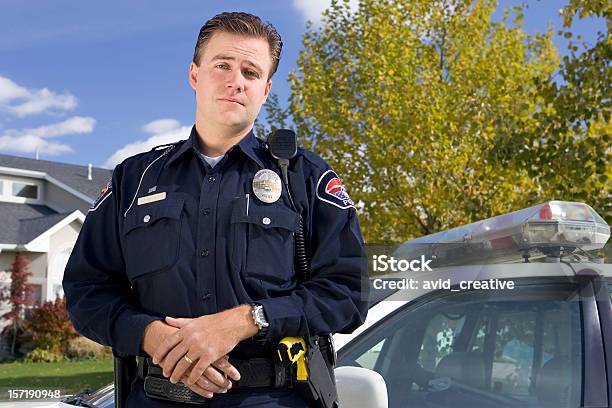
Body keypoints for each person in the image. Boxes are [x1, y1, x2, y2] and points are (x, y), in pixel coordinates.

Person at [63, 11, 368, 407]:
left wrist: (245, 320)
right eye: (222, 64)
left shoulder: (305, 178)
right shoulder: (133, 179)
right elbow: (87, 291)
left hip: (273, 397)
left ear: (265, 88)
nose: (235, 80)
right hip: (158, 395)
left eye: (250, 72)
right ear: (194, 74)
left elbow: (347, 293)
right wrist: (154, 336)